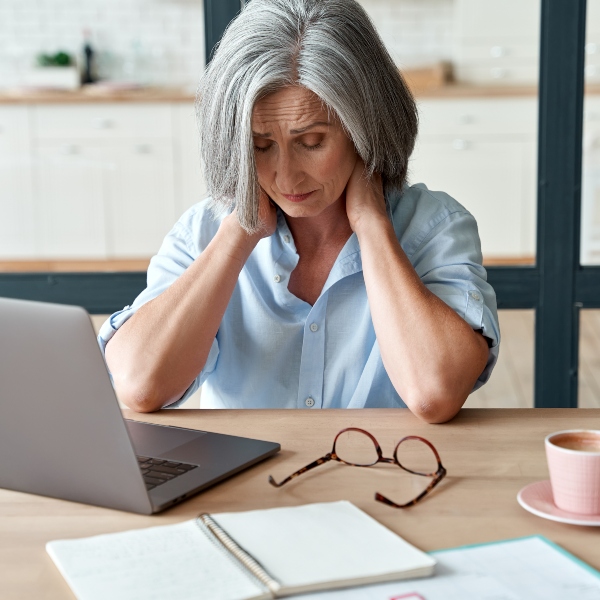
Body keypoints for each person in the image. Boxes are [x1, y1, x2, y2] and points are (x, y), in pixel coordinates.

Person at [99, 0, 500, 423]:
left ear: (364, 127)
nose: (286, 178)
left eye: (312, 143)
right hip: (245, 487)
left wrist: (373, 226)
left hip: (385, 481)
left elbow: (435, 393)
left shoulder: (433, 227)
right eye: (260, 146)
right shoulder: (202, 234)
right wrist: (239, 232)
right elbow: (141, 386)